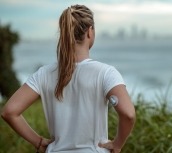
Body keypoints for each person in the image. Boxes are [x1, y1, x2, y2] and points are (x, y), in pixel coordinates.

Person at [1, 4, 135, 153]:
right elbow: (128, 114)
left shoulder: (44, 74)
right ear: (90, 32)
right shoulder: (106, 73)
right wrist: (117, 144)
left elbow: (9, 111)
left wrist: (38, 142)